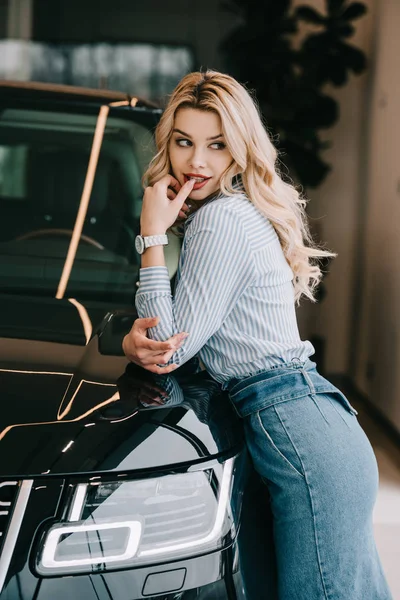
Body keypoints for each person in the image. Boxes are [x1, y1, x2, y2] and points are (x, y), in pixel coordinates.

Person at [122, 70, 392, 599]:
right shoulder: (232, 213)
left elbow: (169, 347)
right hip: (311, 427)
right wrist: (132, 339)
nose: (196, 162)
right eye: (184, 142)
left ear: (240, 149)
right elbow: (170, 338)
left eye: (216, 144)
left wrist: (150, 235)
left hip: (300, 433)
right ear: (168, 144)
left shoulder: (220, 219)